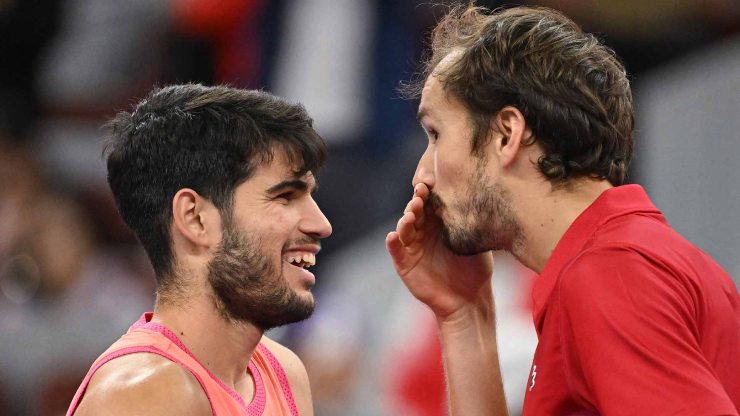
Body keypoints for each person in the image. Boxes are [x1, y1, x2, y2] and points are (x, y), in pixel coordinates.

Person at [386, 4, 740, 416]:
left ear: (506, 135)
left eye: (435, 134)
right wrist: (464, 315)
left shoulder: (609, 275)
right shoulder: (622, 261)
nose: (422, 175)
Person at [67, 84, 332, 416]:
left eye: (309, 195)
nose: (321, 224)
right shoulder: (145, 395)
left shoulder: (284, 371)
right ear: (195, 219)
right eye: (285, 196)